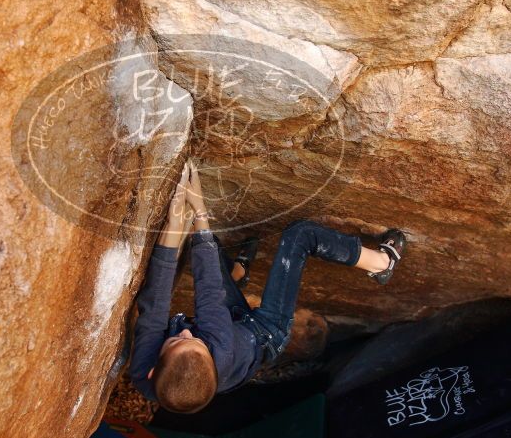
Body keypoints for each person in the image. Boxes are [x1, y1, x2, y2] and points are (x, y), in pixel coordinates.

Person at [130, 162, 407, 414]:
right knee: (300, 234)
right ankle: (382, 264)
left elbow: (154, 304)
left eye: (179, 340)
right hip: (265, 332)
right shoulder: (220, 349)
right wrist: (200, 212)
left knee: (201, 245)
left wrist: (174, 223)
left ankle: (238, 274)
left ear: (153, 371)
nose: (188, 331)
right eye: (195, 340)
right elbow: (208, 292)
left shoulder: (146, 372)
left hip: (230, 330)